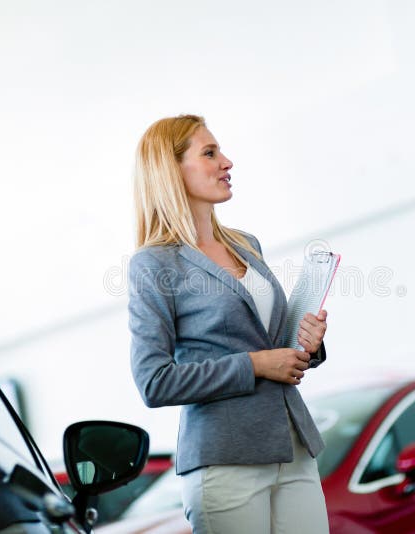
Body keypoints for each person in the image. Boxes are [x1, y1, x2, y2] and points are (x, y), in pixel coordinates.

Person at [127, 114, 330, 534]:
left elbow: (269, 342)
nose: (227, 162)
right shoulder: (153, 263)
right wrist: (254, 365)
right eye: (209, 153)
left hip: (293, 447)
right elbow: (154, 381)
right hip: (225, 460)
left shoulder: (245, 244)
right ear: (171, 169)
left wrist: (307, 346)